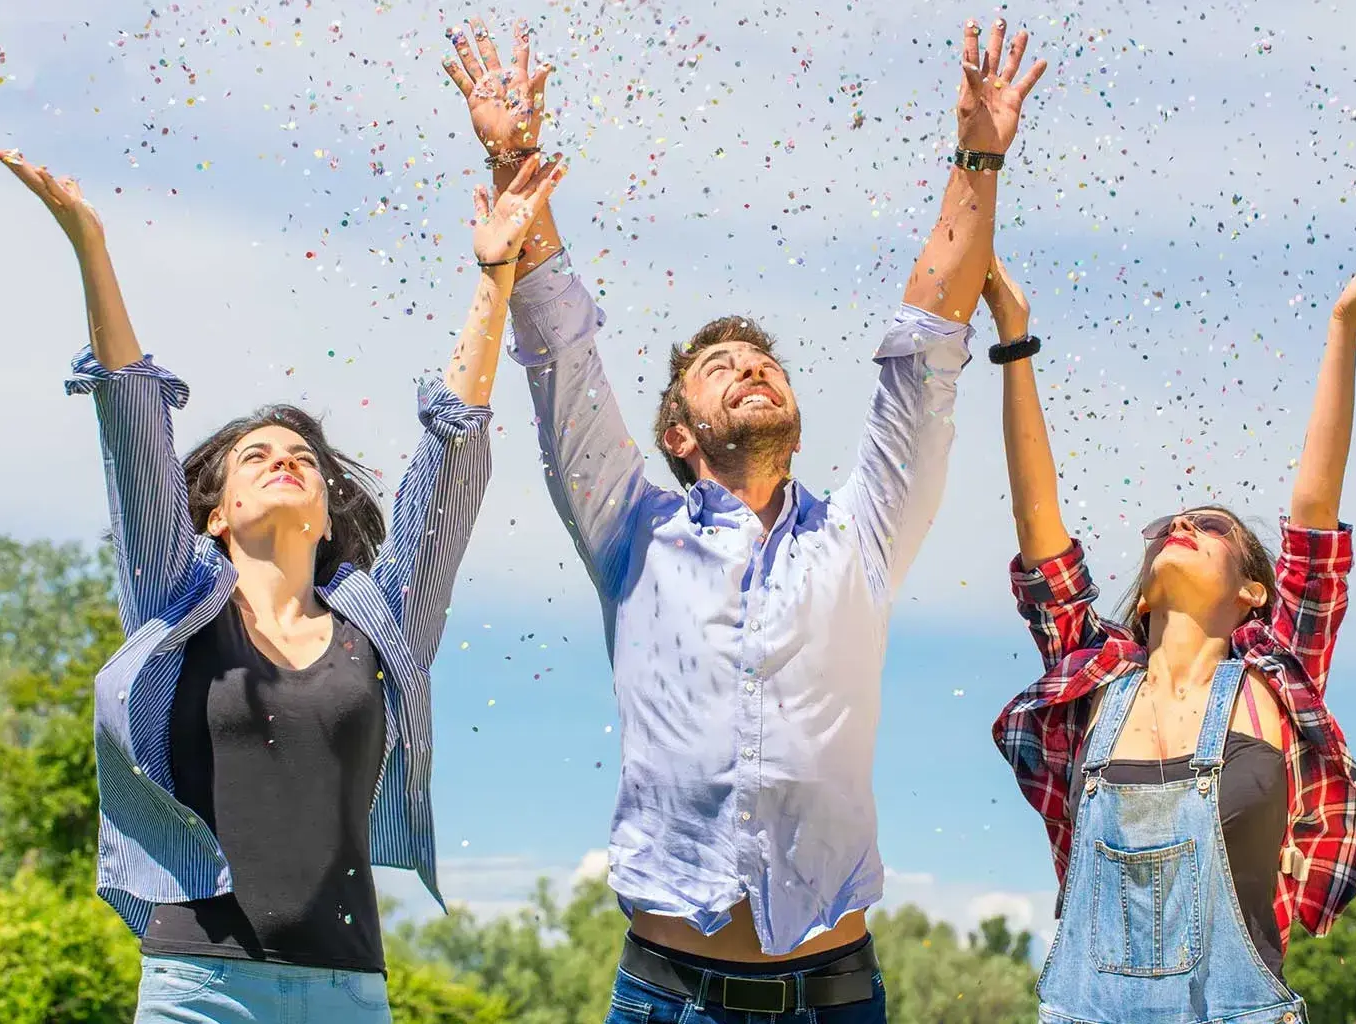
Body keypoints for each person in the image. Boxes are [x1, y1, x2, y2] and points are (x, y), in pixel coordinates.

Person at [439, 13, 1046, 1023]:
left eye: (764, 361)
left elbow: (930, 336)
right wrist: (513, 157)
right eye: (719, 368)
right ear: (678, 432)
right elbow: (559, 350)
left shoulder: (863, 535)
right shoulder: (631, 535)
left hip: (834, 992)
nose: (752, 368)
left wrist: (979, 154)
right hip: (668, 993)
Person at [0, 145, 563, 1024]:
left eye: (301, 458)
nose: (283, 462)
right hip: (200, 988)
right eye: (254, 458)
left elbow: (449, 459)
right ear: (215, 514)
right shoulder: (175, 604)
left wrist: (493, 276)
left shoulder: (379, 623)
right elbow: (133, 427)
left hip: (347, 990)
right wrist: (92, 249)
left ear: (329, 516)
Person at [987, 238, 1356, 1023]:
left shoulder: (1277, 676)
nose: (1181, 523)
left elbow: (1312, 525)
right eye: (1172, 523)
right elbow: (1038, 523)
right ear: (1140, 602)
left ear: (1252, 589)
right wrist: (1015, 340)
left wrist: (1344, 327)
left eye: (1208, 525)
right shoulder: (1091, 676)